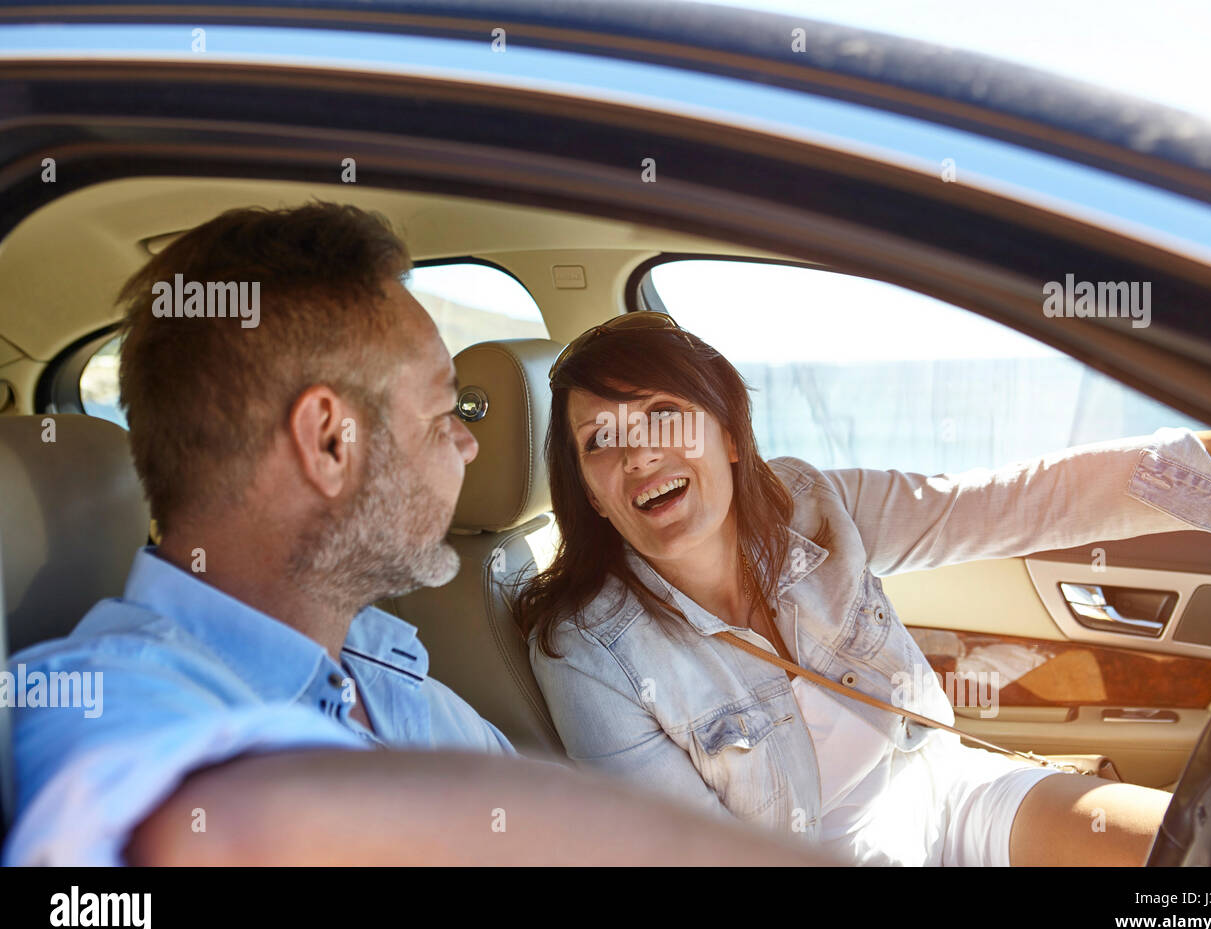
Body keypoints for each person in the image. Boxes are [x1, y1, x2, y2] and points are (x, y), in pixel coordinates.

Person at [1, 205, 829, 866]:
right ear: (330, 441)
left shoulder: (390, 674)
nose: (469, 443)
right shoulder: (95, 695)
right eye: (444, 413)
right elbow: (218, 831)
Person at [518, 310, 1211, 866]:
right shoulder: (587, 649)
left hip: (942, 790)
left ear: (728, 433)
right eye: (602, 441)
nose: (639, 456)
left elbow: (1020, 499)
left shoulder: (815, 506)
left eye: (661, 415)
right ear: (588, 492)